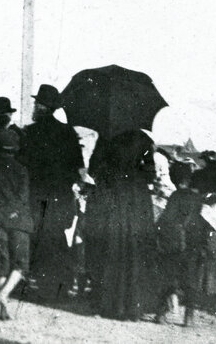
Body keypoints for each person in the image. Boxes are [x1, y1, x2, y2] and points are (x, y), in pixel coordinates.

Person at [17, 84, 84, 302]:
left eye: (37, 103)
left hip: (37, 196)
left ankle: (45, 286)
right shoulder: (68, 133)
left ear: (43, 107)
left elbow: (22, 167)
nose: (34, 107)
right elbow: (77, 170)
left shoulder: (31, 133)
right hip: (60, 197)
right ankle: (60, 286)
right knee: (56, 239)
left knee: (39, 239)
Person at [85, 128, 157, 320]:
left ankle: (109, 305)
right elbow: (151, 174)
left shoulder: (106, 137)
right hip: (137, 200)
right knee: (135, 249)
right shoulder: (144, 140)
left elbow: (93, 169)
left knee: (111, 246)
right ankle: (133, 307)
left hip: (113, 195)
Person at [0, 130, 35, 321]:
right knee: (21, 264)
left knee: (3, 264)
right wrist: (12, 213)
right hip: (19, 221)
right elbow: (23, 197)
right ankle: (5, 294)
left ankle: (3, 310)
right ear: (15, 149)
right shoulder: (22, 170)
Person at [154, 160, 203, 326]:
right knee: (190, 281)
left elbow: (166, 219)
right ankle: (189, 317)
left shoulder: (175, 196)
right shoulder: (196, 198)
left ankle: (160, 314)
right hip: (191, 244)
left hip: (173, 243)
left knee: (168, 278)